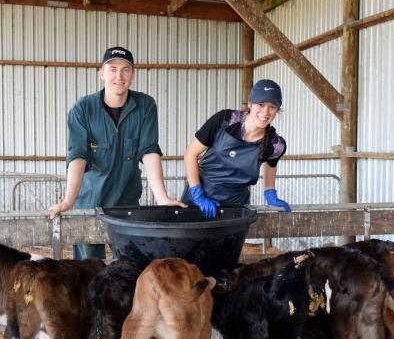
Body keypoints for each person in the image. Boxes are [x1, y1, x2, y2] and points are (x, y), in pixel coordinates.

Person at [49, 46, 186, 259]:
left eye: (125, 70)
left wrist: (162, 198)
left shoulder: (145, 105)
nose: (119, 76)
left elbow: (149, 151)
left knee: (127, 265)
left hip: (127, 204)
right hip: (89, 204)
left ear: (132, 75)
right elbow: (78, 155)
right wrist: (68, 201)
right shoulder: (83, 109)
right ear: (102, 73)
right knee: (89, 268)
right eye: (112, 69)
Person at [182, 79, 291, 218]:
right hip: (199, 200)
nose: (265, 112)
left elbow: (271, 164)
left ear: (277, 110)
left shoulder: (275, 145)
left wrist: (270, 193)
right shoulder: (225, 120)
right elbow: (190, 154)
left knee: (230, 240)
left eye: (272, 107)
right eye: (261, 104)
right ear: (250, 103)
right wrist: (197, 195)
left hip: (235, 207)